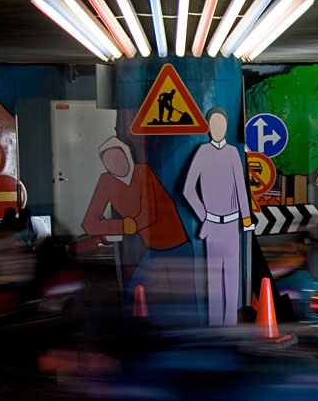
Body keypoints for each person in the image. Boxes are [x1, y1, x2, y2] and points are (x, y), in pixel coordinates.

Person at [82, 136, 192, 300]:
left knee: (186, 299)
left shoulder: (144, 173)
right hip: (153, 248)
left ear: (127, 154)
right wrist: (122, 227)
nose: (113, 163)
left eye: (116, 156)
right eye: (107, 160)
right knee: (133, 297)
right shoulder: (106, 181)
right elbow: (89, 224)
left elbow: (149, 215)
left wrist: (119, 227)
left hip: (178, 245)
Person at [183, 107, 253, 326]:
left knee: (232, 278)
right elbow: (187, 189)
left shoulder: (233, 152)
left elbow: (241, 188)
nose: (218, 129)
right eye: (214, 125)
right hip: (212, 226)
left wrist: (247, 219)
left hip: (232, 225)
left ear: (227, 126)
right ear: (208, 127)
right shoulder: (203, 152)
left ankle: (230, 327)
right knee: (214, 280)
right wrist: (205, 216)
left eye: (221, 124)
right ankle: (215, 328)